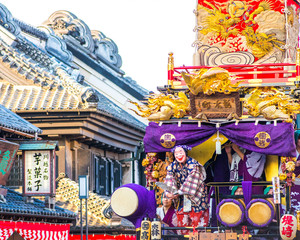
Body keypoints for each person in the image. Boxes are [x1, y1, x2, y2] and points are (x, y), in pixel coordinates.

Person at [165, 145, 209, 235]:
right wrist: (170, 192)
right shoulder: (173, 166)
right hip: (182, 200)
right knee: (183, 226)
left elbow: (192, 181)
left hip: (196, 199)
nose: (178, 155)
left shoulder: (194, 165)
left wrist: (178, 192)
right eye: (176, 153)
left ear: (185, 153)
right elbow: (170, 179)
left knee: (197, 228)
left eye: (181, 152)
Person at [290, 130, 300, 213]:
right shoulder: (291, 153)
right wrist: (294, 164)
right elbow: (283, 167)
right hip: (293, 183)